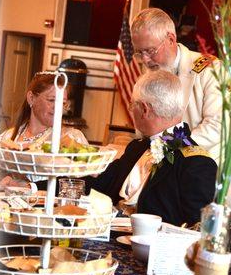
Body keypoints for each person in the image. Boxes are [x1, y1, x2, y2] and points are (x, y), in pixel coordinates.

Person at [130, 7, 231, 212]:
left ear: (171, 39)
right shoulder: (149, 76)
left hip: (227, 188)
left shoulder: (210, 69)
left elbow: (219, 127)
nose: (145, 60)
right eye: (139, 52)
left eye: (150, 51)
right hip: (185, 188)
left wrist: (168, 145)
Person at [84, 70, 217, 227]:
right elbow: (99, 185)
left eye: (132, 104)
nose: (131, 109)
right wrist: (52, 176)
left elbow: (196, 230)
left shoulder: (197, 163)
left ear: (144, 109)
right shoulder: (136, 147)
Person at [0, 71, 88, 191]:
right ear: (31, 98)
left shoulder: (72, 137)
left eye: (62, 103)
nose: (58, 107)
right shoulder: (8, 137)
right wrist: (1, 181)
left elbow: (81, 184)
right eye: (52, 100)